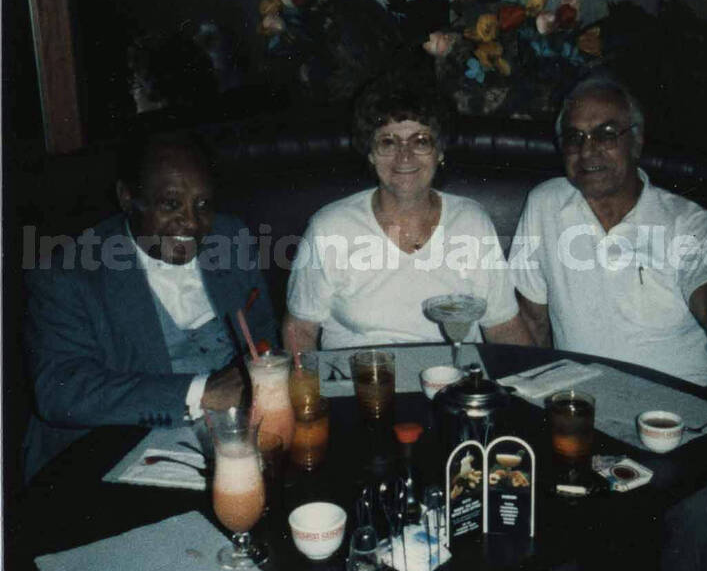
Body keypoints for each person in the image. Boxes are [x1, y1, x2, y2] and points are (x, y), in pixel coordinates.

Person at [510, 73, 707, 571]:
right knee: (524, 514)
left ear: (637, 141)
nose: (587, 150)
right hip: (581, 407)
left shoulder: (684, 222)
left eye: (606, 133)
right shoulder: (546, 205)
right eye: (574, 137)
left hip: (681, 413)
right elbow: (530, 320)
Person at [22, 132, 277, 484]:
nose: (190, 223)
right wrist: (201, 392)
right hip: (115, 457)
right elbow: (61, 390)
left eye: (203, 205)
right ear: (128, 198)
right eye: (171, 204)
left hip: (235, 440)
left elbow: (263, 332)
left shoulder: (231, 237)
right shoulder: (69, 273)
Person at [282, 73, 532, 352]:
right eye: (388, 142)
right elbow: (299, 330)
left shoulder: (472, 222)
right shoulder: (330, 228)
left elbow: (504, 326)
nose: (404, 156)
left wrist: (535, 384)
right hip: (360, 386)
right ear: (370, 153)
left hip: (453, 384)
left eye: (421, 141)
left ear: (439, 151)